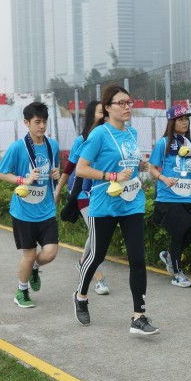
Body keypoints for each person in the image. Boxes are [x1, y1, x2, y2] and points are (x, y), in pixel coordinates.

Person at [72, 85, 160, 336]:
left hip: (131, 202)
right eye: (121, 103)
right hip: (104, 204)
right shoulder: (99, 134)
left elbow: (125, 163)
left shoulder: (131, 133)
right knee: (96, 255)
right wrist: (111, 176)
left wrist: (140, 166)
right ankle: (81, 296)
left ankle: (138, 317)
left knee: (138, 258)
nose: (127, 107)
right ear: (108, 108)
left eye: (129, 102)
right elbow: (81, 169)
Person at [0, 101, 60, 308]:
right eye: (37, 122)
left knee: (50, 253)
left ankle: (34, 267)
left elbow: (53, 171)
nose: (42, 126)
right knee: (30, 254)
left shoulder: (52, 146)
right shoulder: (18, 147)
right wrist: (23, 180)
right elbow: (1, 173)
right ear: (26, 123)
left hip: (46, 209)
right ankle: (21, 291)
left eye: (44, 122)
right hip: (23, 211)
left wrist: (56, 174)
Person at [55, 100, 110, 295]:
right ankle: (99, 278)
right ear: (91, 115)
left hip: (103, 193)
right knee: (96, 235)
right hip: (83, 193)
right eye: (100, 112)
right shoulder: (82, 140)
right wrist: (57, 191)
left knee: (96, 234)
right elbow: (69, 169)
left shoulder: (111, 138)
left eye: (106, 112)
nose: (104, 116)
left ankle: (82, 263)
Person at [149, 104, 191, 287]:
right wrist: (163, 178)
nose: (185, 122)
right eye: (181, 119)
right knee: (178, 234)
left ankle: (169, 256)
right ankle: (177, 274)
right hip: (168, 197)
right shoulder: (163, 143)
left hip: (187, 195)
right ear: (172, 122)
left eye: (186, 119)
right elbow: (152, 168)